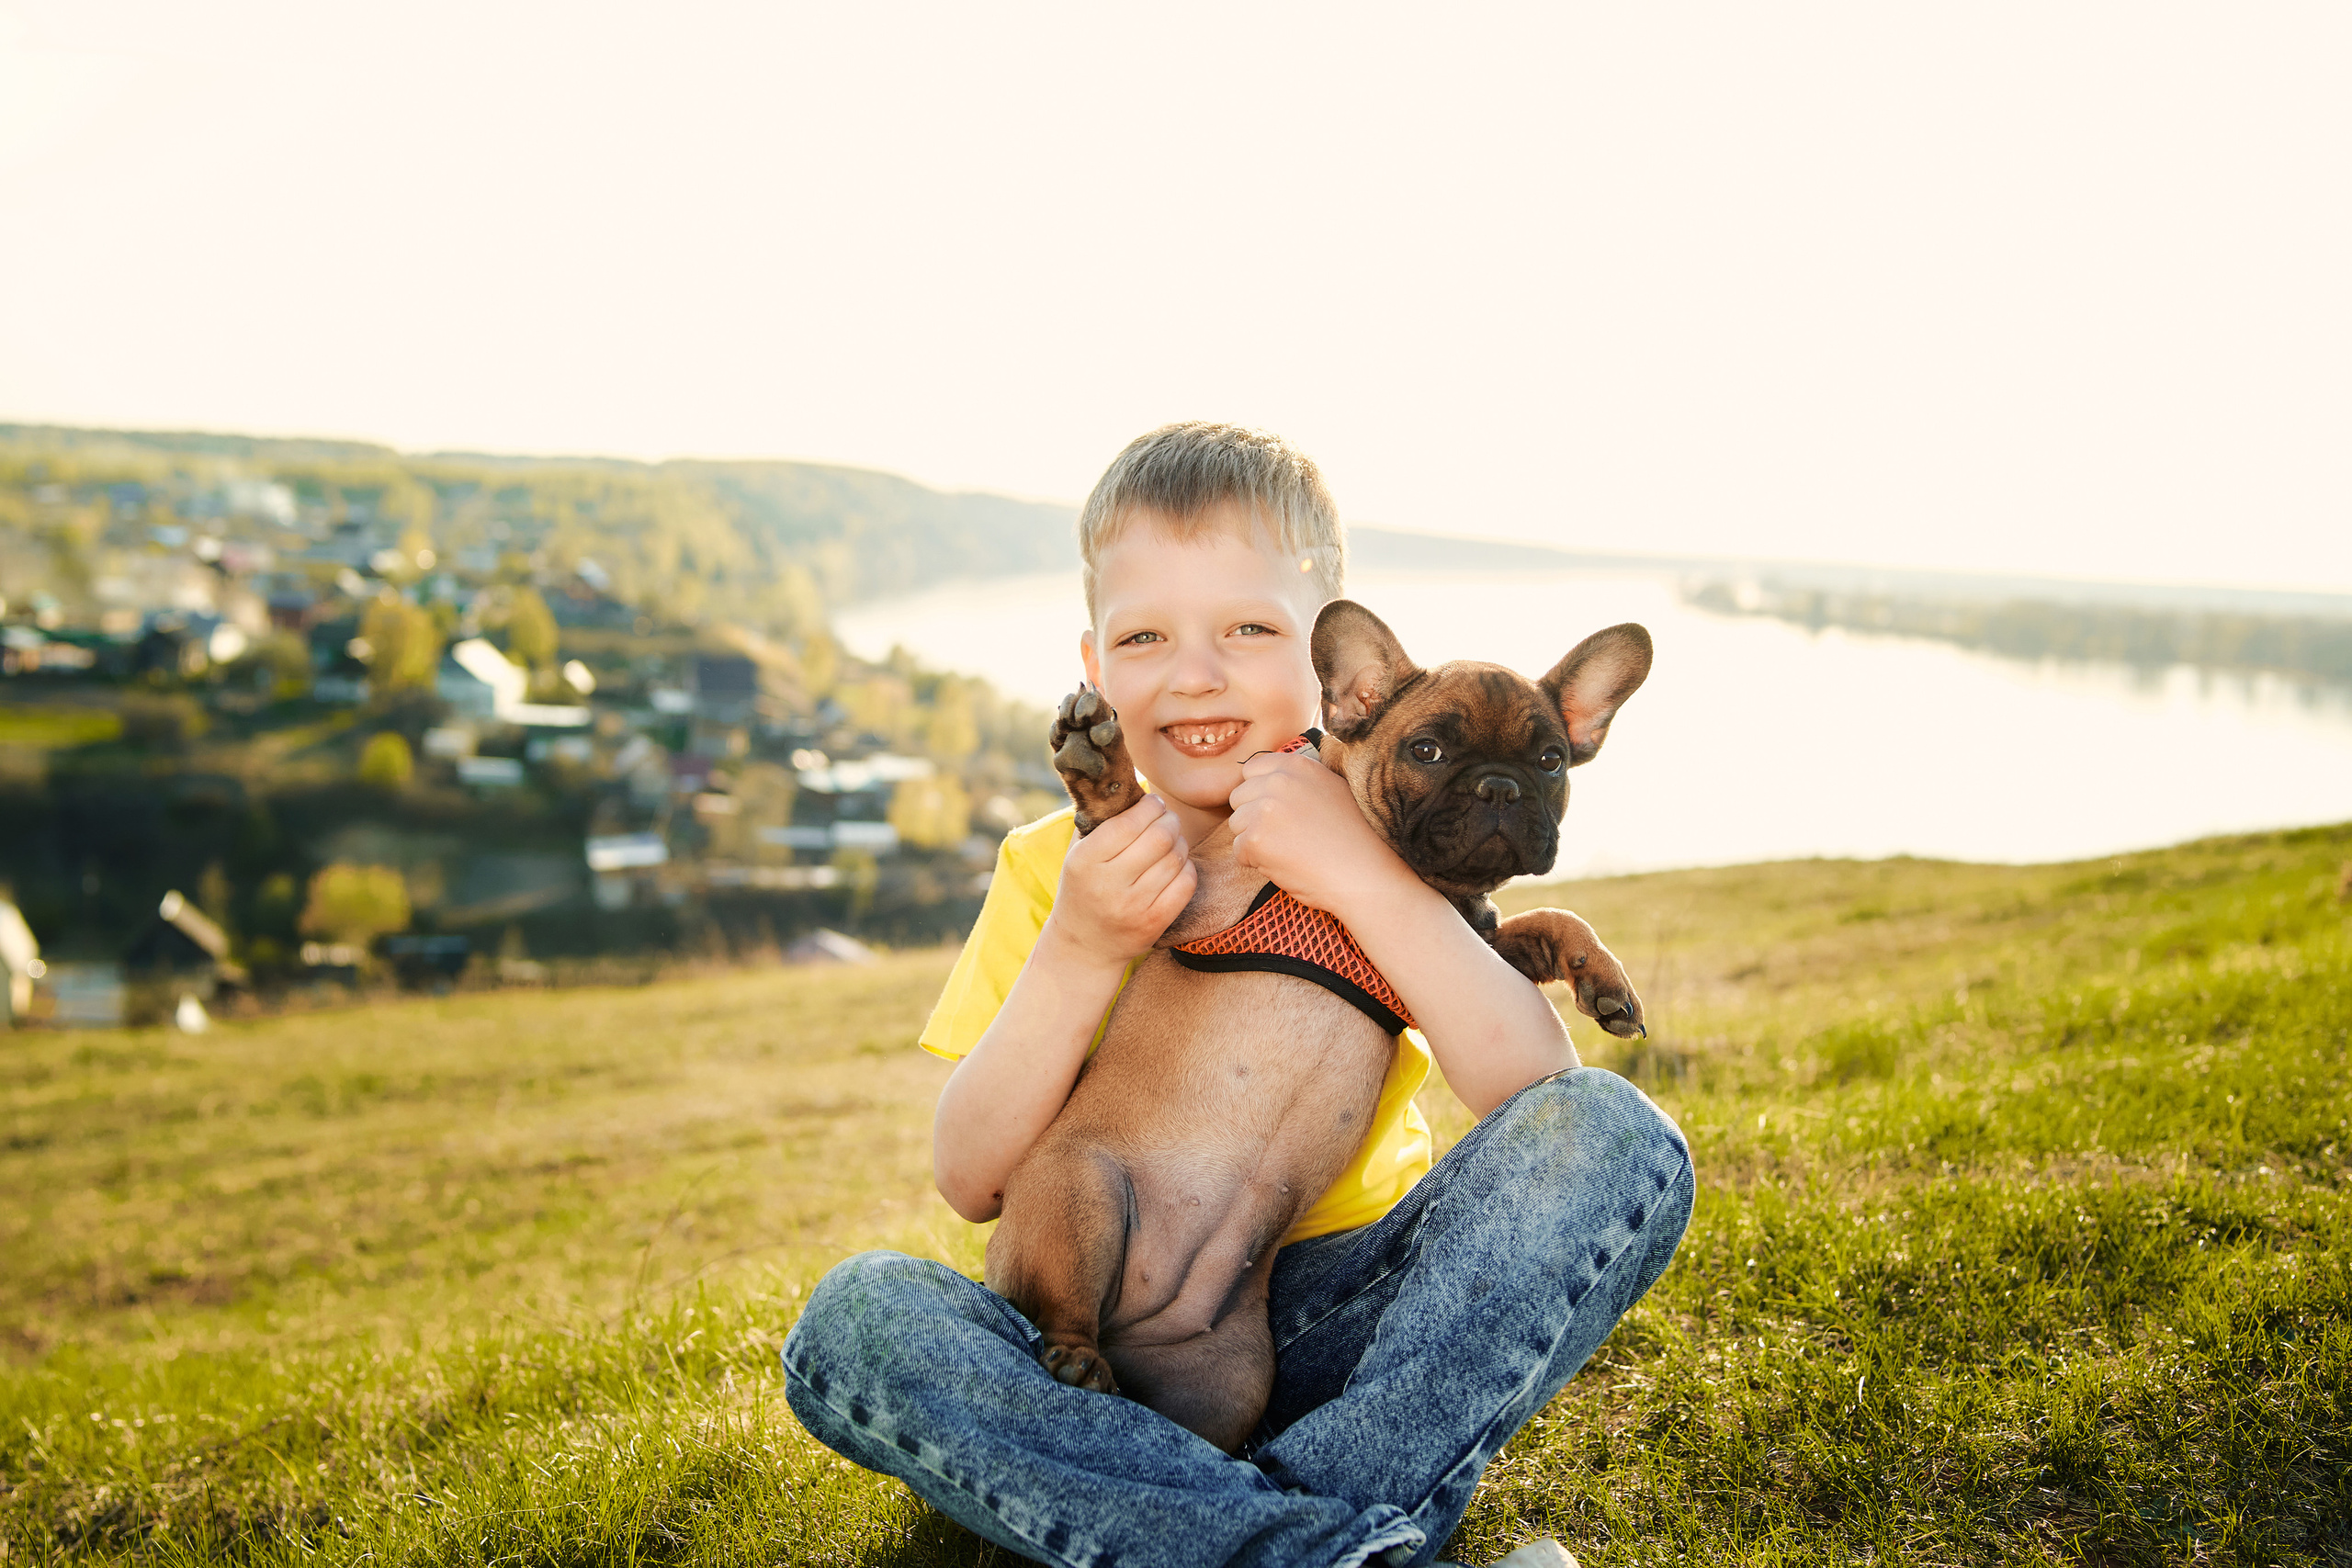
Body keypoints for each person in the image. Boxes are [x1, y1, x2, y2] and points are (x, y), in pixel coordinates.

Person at [783, 423, 1693, 1568]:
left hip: (1315, 1328)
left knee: (1621, 1136)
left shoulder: (1386, 829)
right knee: (858, 1319)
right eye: (1146, 635)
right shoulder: (1059, 861)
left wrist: (1362, 873)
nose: (1197, 671)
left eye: (1249, 629)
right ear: (1095, 659)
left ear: (1336, 675)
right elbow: (970, 1180)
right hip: (1072, 1322)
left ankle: (1190, 1524)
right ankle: (1328, 1545)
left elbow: (1536, 1098)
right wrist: (1079, 941)